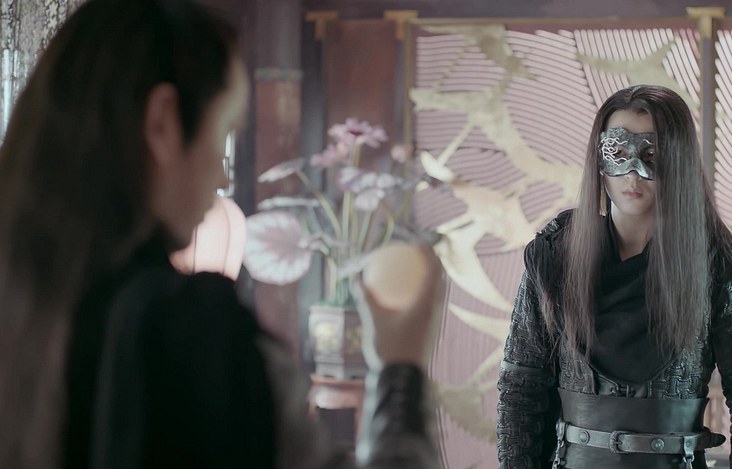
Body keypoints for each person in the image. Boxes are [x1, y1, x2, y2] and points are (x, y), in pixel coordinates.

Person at [0, 1, 444, 468]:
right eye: (223, 130)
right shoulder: (191, 340)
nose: (221, 176)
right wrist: (401, 369)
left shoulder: (21, 309)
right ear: (162, 122)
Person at [496, 85, 732, 469]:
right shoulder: (555, 257)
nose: (632, 173)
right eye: (618, 152)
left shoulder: (717, 268)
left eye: (650, 154)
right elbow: (521, 389)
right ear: (600, 159)